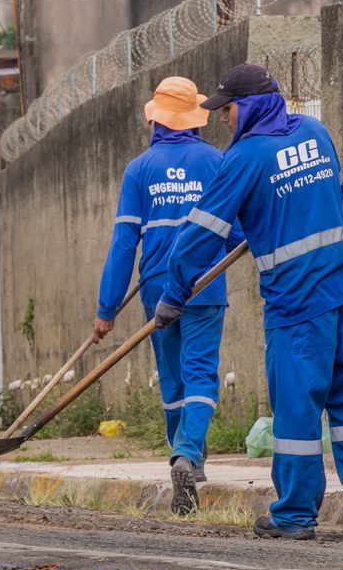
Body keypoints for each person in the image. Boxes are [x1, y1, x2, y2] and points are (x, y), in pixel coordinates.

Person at [158, 64, 343, 539]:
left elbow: (199, 236)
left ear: (252, 105)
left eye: (229, 108)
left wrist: (173, 293)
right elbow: (335, 192)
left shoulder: (244, 157)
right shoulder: (316, 131)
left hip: (298, 309)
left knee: (297, 414)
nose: (223, 118)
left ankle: (294, 516)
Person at [91, 76, 237, 517]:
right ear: (195, 116)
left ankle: (184, 452)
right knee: (201, 374)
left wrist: (107, 308)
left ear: (156, 117)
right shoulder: (217, 161)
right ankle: (189, 455)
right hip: (206, 282)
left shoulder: (139, 169)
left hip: (157, 289)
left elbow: (122, 245)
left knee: (173, 378)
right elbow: (238, 229)